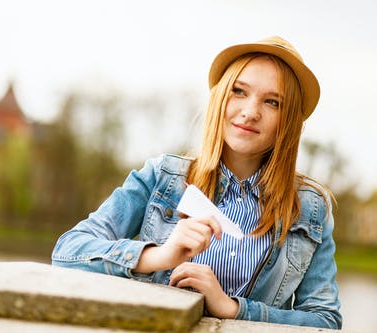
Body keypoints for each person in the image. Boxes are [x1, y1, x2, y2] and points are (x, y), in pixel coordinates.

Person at [52, 36, 342, 329]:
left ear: (289, 120)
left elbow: (325, 320)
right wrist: (159, 255)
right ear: (220, 99)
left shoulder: (310, 208)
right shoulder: (162, 178)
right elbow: (68, 251)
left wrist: (233, 309)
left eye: (272, 102)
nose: (251, 112)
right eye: (239, 91)